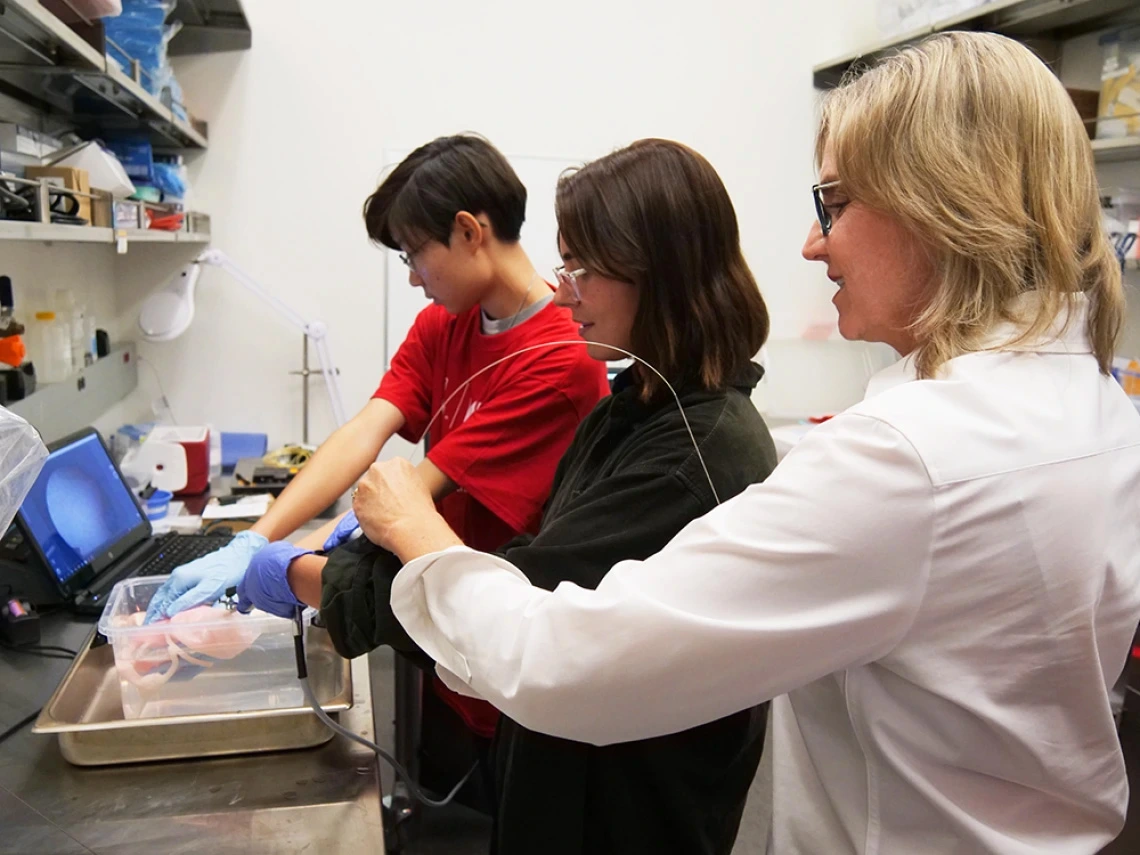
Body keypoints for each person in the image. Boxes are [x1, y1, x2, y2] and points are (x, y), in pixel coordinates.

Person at [354, 33, 1140, 855]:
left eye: (833, 203)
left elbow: (561, 664)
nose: (812, 242)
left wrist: (414, 531)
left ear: (941, 199)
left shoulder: (909, 458)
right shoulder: (1093, 405)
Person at [241, 138, 778, 854]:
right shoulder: (634, 408)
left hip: (624, 812)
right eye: (566, 267)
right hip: (554, 764)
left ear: (663, 276)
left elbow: (519, 600)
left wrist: (299, 574)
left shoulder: (692, 452)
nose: (563, 293)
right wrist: (264, 541)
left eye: (583, 270)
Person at [146, 133, 610, 772]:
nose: (415, 277)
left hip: (503, 641)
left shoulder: (560, 361)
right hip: (432, 629)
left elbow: (411, 491)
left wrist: (292, 561)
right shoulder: (445, 323)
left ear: (470, 231)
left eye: (416, 254)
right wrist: (253, 540)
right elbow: (367, 428)